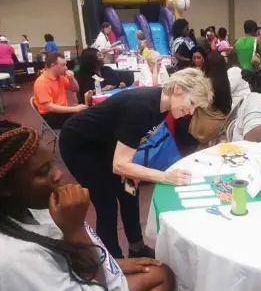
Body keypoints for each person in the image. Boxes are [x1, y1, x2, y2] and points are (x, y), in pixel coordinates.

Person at [0, 120, 175, 291]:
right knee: (161, 277)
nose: (58, 174)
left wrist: (110, 263)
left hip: (90, 271)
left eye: (52, 164)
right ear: (5, 187)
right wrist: (75, 230)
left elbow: (64, 261)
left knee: (161, 272)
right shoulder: (15, 260)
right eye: (43, 171)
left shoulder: (31, 206)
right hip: (95, 282)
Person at [59, 68, 212, 259]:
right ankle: (113, 260)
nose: (190, 111)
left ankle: (136, 247)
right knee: (106, 204)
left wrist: (133, 170)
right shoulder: (142, 107)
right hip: (80, 145)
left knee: (129, 190)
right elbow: (119, 165)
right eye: (191, 103)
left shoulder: (162, 105)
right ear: (178, 89)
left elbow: (131, 140)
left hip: (106, 142)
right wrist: (164, 176)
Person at [33, 53, 87, 129]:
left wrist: (71, 79)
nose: (66, 68)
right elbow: (49, 107)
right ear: (52, 65)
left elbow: (75, 89)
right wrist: (74, 109)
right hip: (52, 116)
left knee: (88, 115)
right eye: (63, 65)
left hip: (62, 112)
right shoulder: (42, 82)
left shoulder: (60, 77)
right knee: (85, 121)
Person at [189, 52, 232, 144]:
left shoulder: (205, 83)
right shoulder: (225, 81)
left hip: (207, 129)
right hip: (221, 123)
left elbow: (192, 102)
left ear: (207, 65)